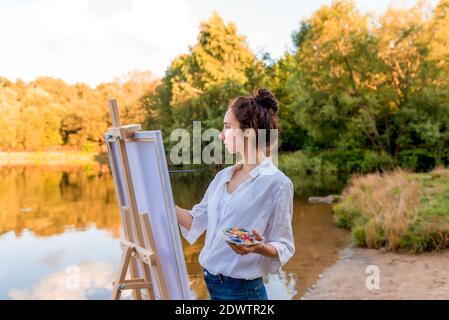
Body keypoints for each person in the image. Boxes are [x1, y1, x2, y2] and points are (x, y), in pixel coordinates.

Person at [175, 87, 295, 300]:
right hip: (212, 285)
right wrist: (160, 200)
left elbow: (284, 245)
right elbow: (195, 220)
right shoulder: (222, 177)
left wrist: (258, 248)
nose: (221, 135)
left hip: (243, 293)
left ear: (249, 132)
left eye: (227, 127)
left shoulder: (277, 183)